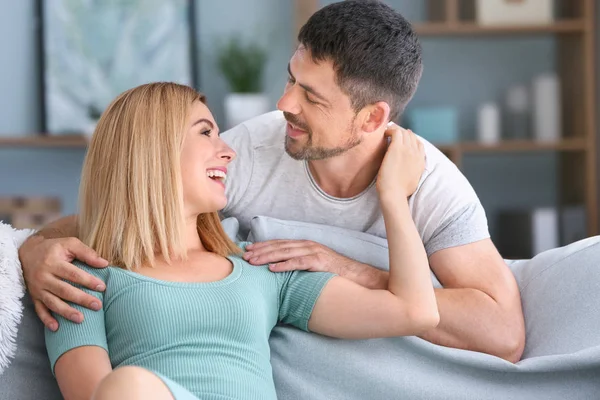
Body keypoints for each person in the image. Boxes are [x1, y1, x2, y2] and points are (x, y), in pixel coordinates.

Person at [19, 0, 524, 370]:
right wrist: (33, 251)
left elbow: (503, 335)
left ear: (372, 119)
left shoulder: (429, 182)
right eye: (290, 79)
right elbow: (136, 207)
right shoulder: (253, 150)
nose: (284, 104)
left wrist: (348, 267)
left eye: (311, 96)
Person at [43, 82, 438, 400]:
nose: (228, 151)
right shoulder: (79, 277)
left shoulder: (261, 267)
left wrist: (394, 197)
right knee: (127, 388)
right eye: (205, 133)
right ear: (153, 148)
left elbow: (414, 311)